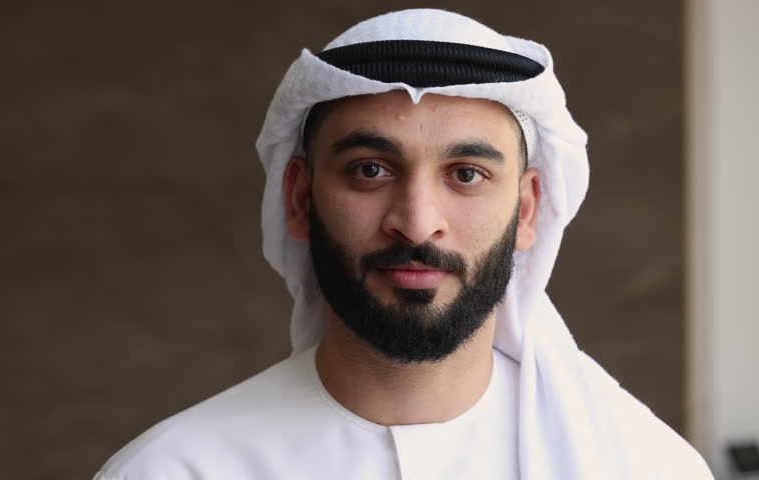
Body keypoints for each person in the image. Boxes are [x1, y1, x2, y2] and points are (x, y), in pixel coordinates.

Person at [95, 9, 713, 479]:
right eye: (371, 169)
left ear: (527, 209)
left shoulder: (644, 466)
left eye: (466, 174)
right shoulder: (178, 469)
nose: (417, 224)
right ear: (300, 198)